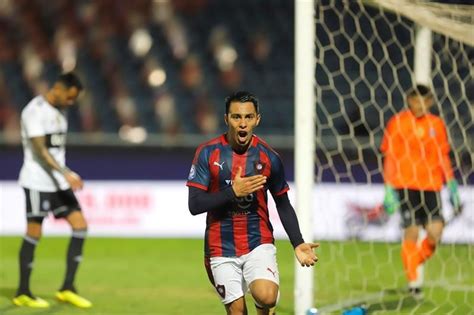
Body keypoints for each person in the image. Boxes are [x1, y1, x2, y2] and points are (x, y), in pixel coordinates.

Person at [187, 91, 319, 315]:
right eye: (236, 117)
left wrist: (298, 242)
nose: (242, 124)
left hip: (258, 241)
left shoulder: (269, 158)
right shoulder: (207, 153)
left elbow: (283, 203)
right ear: (226, 119)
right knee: (238, 312)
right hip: (220, 247)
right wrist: (233, 192)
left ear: (257, 119)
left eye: (248, 117)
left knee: (266, 296)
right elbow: (195, 205)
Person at [13, 72, 92, 308]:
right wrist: (66, 172)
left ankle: (67, 288)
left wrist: (64, 175)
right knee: (34, 232)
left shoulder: (60, 111)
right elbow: (40, 152)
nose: (71, 103)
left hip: (58, 182)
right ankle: (23, 292)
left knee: (80, 226)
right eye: (69, 97)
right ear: (57, 89)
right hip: (37, 181)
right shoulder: (34, 111)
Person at [381, 84, 462, 299]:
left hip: (431, 185)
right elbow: (390, 156)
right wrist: (389, 187)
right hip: (405, 184)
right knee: (412, 232)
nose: (419, 105)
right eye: (415, 100)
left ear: (430, 102)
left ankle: (412, 262)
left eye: (423, 101)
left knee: (435, 233)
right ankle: (414, 283)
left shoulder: (437, 124)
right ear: (409, 100)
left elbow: (444, 156)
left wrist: (452, 184)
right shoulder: (397, 122)